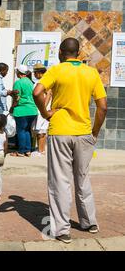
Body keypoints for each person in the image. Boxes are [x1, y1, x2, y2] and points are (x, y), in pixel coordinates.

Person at [33, 38, 107, 244]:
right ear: (79, 52)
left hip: (60, 131)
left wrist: (46, 113)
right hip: (84, 132)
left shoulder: (56, 70)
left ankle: (62, 230)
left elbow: (37, 92)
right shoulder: (91, 72)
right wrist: (95, 131)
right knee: (82, 178)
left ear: (61, 52)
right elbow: (102, 107)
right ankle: (89, 222)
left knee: (60, 181)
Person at [10, 65, 38, 157]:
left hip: (21, 110)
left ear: (19, 72)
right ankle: (28, 150)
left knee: (21, 130)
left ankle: (21, 151)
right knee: (27, 130)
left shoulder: (18, 82)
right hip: (32, 110)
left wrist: (12, 107)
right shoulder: (31, 82)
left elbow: (16, 97)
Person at [31, 63, 52, 157]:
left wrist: (43, 106)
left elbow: (49, 93)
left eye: (35, 73)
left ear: (39, 73)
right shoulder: (42, 80)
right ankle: (40, 149)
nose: (34, 75)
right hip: (41, 108)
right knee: (39, 130)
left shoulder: (45, 81)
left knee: (41, 131)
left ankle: (41, 150)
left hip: (43, 109)